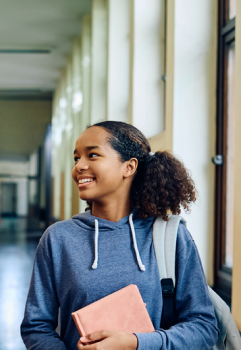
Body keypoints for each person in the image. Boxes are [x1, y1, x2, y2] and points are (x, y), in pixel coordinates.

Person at [20, 121, 219, 350]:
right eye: (76, 158)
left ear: (129, 167)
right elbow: (36, 326)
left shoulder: (170, 236)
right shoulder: (57, 239)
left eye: (92, 155)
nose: (79, 166)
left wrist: (136, 343)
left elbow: (204, 327)